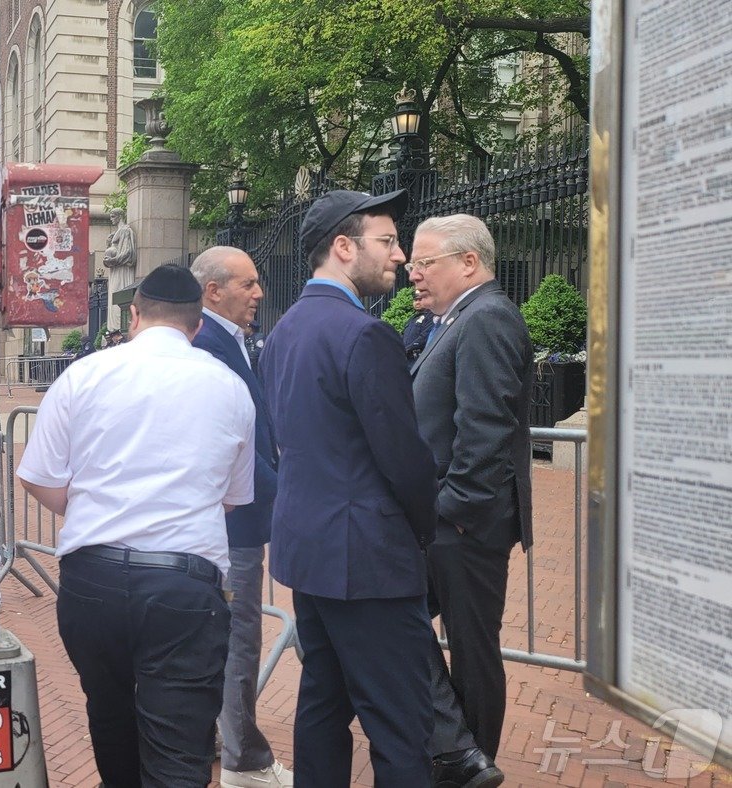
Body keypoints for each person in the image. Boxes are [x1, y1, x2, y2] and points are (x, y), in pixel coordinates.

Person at [17, 264, 255, 786]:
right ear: (197, 325)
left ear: (134, 315)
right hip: (183, 583)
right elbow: (234, 499)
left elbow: (37, 477)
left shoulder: (84, 374)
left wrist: (89, 510)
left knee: (109, 714)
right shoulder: (231, 387)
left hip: (91, 576)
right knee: (179, 746)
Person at [257, 189, 439, 787]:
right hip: (367, 558)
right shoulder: (364, 334)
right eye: (386, 241)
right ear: (343, 247)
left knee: (323, 705)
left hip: (309, 549)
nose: (400, 254)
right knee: (400, 722)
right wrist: (424, 531)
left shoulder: (284, 330)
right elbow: (403, 458)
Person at [409, 214, 533, 787]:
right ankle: (459, 752)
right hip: (450, 521)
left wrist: (453, 510)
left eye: (424, 262)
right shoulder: (456, 318)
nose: (412, 273)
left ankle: (470, 760)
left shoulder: (487, 318)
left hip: (465, 525)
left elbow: (483, 429)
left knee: (472, 646)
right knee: (399, 616)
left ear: (468, 262)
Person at [188, 247, 291, 787]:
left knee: (225, 637)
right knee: (238, 639)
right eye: (247, 284)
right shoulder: (207, 345)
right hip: (233, 522)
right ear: (213, 291)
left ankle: (215, 741)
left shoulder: (231, 343)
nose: (258, 294)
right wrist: (289, 500)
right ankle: (245, 762)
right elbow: (236, 447)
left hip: (232, 517)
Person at [401, 291, 439, 362]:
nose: (417, 302)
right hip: (407, 358)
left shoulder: (431, 316)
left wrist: (408, 348)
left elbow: (424, 337)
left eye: (420, 300)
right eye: (415, 300)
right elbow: (403, 335)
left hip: (419, 358)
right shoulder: (412, 318)